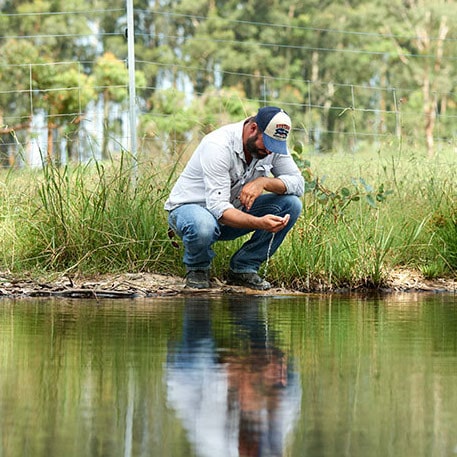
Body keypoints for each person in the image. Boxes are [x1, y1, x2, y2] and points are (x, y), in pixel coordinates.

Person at [164, 106, 304, 290]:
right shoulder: (218, 145)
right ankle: (197, 269)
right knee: (203, 225)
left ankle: (243, 268)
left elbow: (299, 184)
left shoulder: (273, 147)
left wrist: (264, 182)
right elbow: (219, 209)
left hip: (231, 213)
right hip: (191, 212)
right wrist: (260, 223)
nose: (270, 151)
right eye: (267, 144)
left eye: (275, 146)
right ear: (253, 128)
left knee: (291, 204)